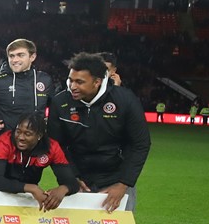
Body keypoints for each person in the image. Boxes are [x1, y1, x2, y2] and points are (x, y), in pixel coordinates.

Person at [48, 52, 151, 213]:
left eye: (79, 82)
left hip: (116, 180)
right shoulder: (60, 102)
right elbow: (55, 145)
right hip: (78, 180)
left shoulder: (125, 100)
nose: (72, 86)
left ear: (97, 81)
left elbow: (140, 143)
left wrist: (123, 184)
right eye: (70, 80)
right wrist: (70, 178)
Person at [0, 113, 79, 210]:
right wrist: (32, 188)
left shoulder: (52, 148)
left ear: (39, 136)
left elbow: (72, 183)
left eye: (28, 134)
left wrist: (63, 189)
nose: (20, 138)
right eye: (18, 132)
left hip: (27, 199)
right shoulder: (3, 142)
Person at [0, 39, 53, 147]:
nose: (15, 60)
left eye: (20, 55)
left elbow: (53, 107)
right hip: (4, 148)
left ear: (32, 57)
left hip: (35, 147)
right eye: (11, 56)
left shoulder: (44, 79)